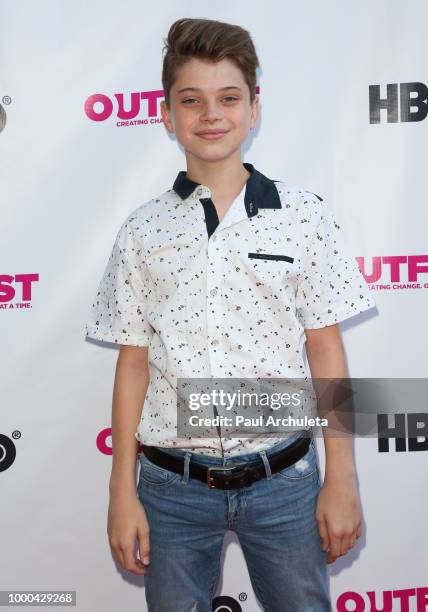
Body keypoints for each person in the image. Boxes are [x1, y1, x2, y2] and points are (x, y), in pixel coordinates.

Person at [84, 17, 376, 612]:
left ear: (253, 108)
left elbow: (326, 352)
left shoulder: (303, 216)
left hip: (286, 481)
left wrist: (341, 477)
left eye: (228, 98)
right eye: (191, 100)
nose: (210, 113)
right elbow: (133, 364)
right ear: (167, 114)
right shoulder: (143, 231)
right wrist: (121, 490)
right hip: (170, 489)